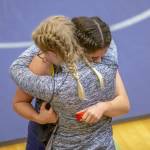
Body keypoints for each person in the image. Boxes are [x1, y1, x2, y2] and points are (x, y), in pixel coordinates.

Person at [10, 16, 130, 150]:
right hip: (44, 135)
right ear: (77, 48)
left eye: (104, 54)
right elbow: (19, 102)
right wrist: (39, 118)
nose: (99, 62)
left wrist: (103, 107)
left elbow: (124, 104)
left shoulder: (106, 63)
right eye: (94, 57)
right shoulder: (43, 62)